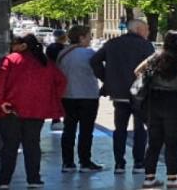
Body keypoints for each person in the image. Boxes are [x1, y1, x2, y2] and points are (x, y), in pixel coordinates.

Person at [0, 34, 66, 189]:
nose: (12, 46)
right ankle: (34, 179)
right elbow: (61, 81)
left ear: (23, 45)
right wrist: (49, 98)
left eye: (14, 43)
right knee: (32, 145)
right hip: (36, 110)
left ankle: (4, 180)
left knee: (10, 146)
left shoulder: (10, 60)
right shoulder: (45, 62)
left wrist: (1, 102)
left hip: (11, 110)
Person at [90, 20, 154, 174]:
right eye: (146, 29)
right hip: (140, 94)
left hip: (118, 93)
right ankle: (138, 163)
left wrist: (107, 78)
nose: (148, 33)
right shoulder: (145, 45)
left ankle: (119, 163)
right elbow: (153, 68)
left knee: (120, 129)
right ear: (138, 29)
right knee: (140, 129)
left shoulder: (112, 43)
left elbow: (94, 61)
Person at [136, 31, 177, 189]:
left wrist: (150, 80)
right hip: (174, 102)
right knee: (172, 142)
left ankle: (149, 178)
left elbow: (137, 71)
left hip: (153, 100)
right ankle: (172, 178)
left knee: (154, 141)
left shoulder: (156, 57)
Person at [56, 25, 103, 173]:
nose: (91, 38)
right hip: (88, 95)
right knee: (86, 130)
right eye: (89, 36)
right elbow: (100, 72)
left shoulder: (63, 53)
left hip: (67, 95)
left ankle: (67, 162)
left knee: (69, 129)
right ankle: (85, 161)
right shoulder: (90, 54)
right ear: (81, 37)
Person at [46, 28, 68, 132]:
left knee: (55, 98)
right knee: (64, 99)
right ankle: (64, 119)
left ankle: (56, 119)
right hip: (63, 75)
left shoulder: (50, 47)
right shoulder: (65, 49)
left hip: (52, 75)